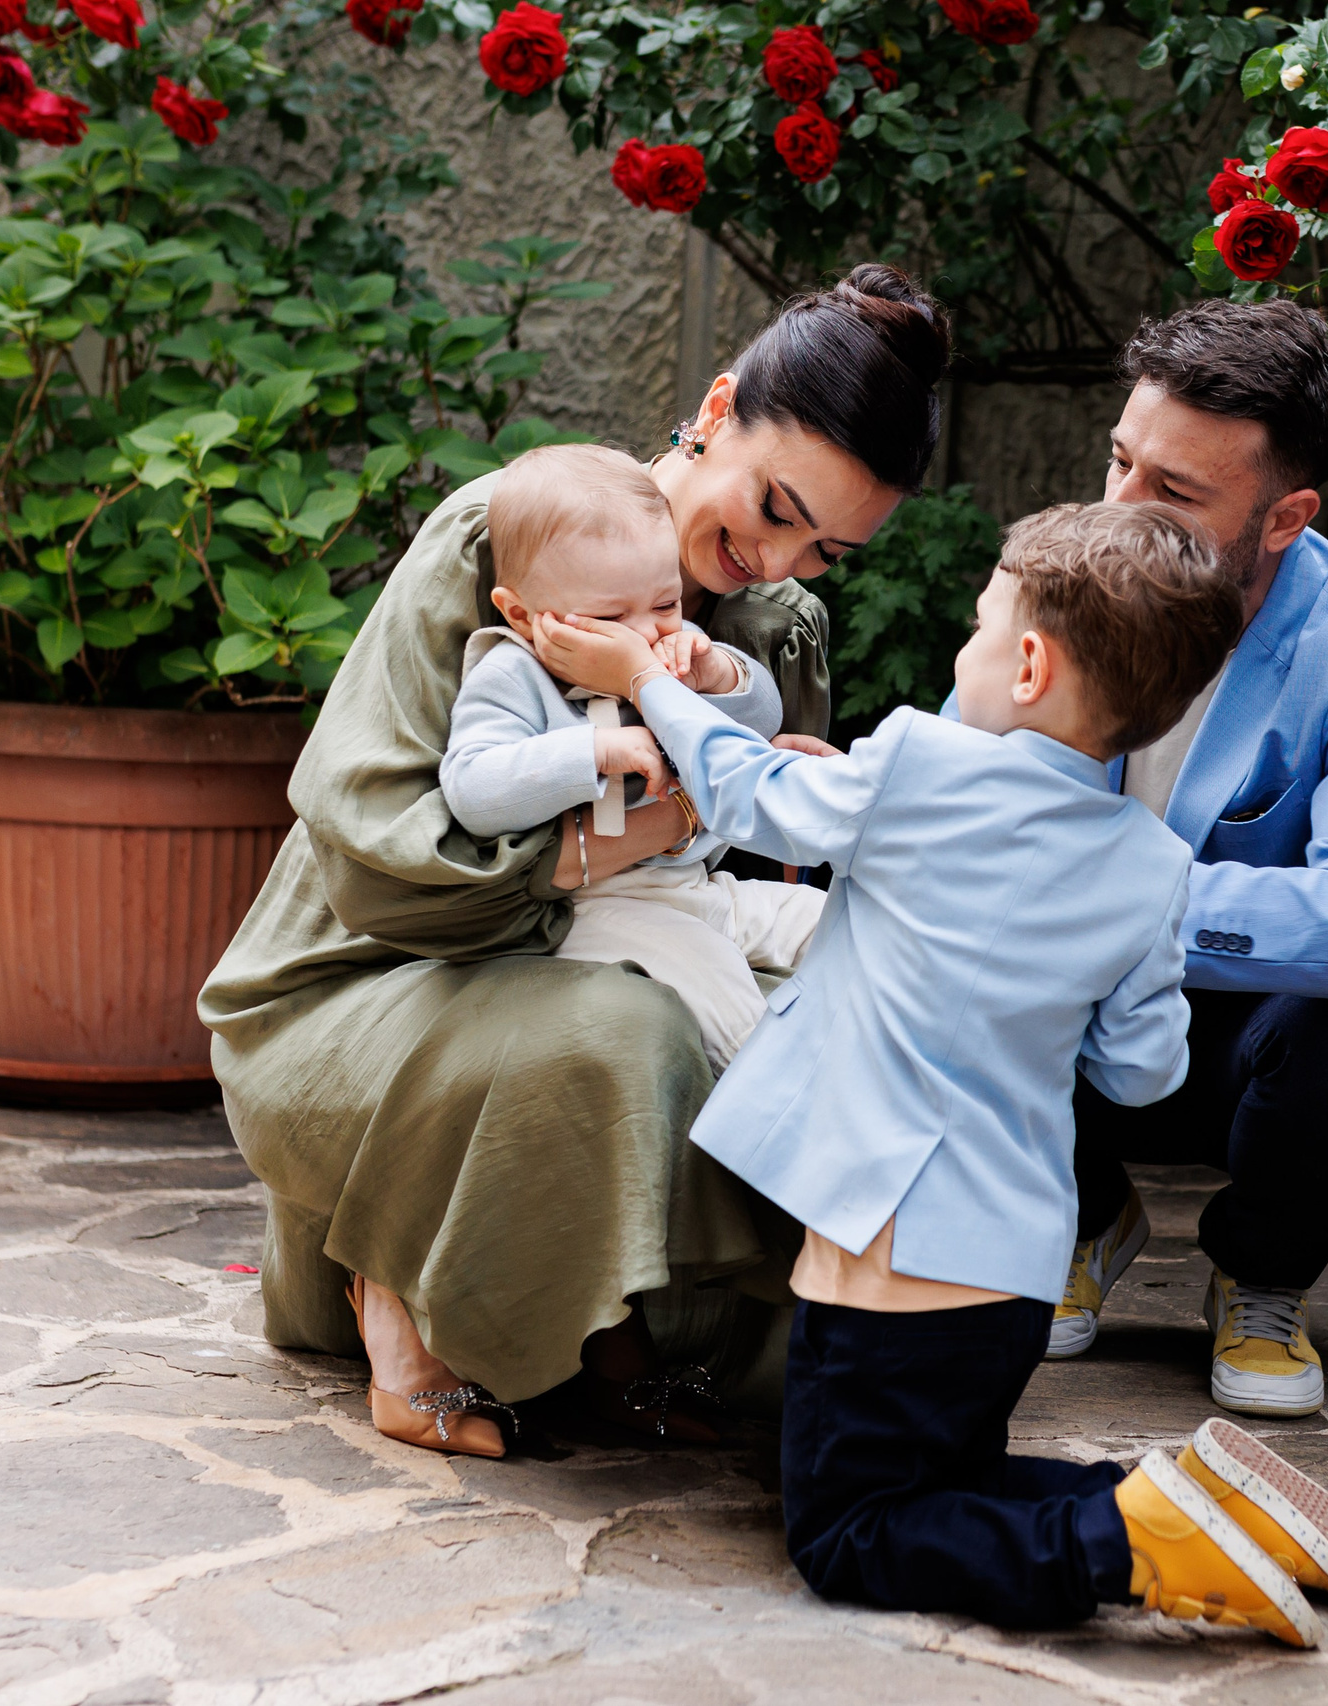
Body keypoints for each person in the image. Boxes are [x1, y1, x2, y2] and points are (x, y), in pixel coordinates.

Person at [538, 501, 1328, 1645]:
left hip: (886, 1260)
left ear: (1028, 663)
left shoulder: (917, 761)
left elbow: (750, 789)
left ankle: (1125, 1541)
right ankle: (1221, 1513)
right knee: (939, 1489)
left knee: (844, 1531)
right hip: (1013, 1275)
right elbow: (1142, 1074)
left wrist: (644, 676)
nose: (966, 648)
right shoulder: (1153, 865)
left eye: (979, 626)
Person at [199, 264, 948, 1457]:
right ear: (714, 412)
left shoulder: (769, 629)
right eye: (774, 504)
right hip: (383, 966)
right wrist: (644, 814)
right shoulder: (507, 532)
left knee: (858, 1018)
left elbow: (725, 862)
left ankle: (616, 1331)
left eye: (827, 549)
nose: (779, 556)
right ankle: (400, 1282)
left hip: (645, 936)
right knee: (624, 1034)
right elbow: (384, 847)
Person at [1041, 299, 1328, 1421]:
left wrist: (1122, 901)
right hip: (1069, 1015)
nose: (1119, 509)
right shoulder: (1055, 583)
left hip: (1250, 1038)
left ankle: (1260, 1271)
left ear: (1285, 516)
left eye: (1172, 492)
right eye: (1120, 461)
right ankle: (1076, 1216)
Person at [442, 444, 825, 1072]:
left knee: (825, 920)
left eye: (666, 604)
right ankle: (786, 1112)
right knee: (726, 992)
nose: (645, 633)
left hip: (698, 890)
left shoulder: (675, 648)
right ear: (522, 613)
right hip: (597, 910)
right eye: (610, 616)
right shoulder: (511, 672)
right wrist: (592, 751)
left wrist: (715, 674)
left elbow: (761, 720)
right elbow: (472, 789)